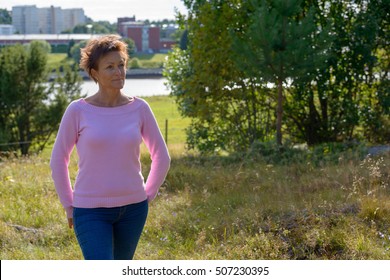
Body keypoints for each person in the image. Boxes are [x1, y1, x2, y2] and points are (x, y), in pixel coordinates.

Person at [50, 34, 170, 260]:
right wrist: (69, 204)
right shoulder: (77, 111)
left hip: (133, 210)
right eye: (110, 67)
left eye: (121, 65)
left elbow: (162, 157)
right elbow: (58, 160)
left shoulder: (140, 108)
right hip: (89, 211)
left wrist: (147, 195)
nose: (118, 72)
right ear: (95, 73)